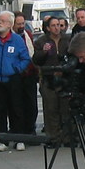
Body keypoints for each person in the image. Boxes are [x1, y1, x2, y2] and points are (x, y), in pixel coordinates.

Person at [0, 11, 31, 151]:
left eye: (2, 21)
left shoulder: (17, 40)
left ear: (10, 24)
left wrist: (16, 69)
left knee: (16, 109)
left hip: (13, 79)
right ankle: (2, 140)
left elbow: (25, 58)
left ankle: (19, 139)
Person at [32, 15, 71, 146]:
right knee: (51, 110)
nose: (57, 28)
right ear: (48, 28)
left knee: (66, 110)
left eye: (59, 25)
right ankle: (53, 138)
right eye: (53, 25)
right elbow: (36, 60)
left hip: (65, 78)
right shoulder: (41, 41)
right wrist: (43, 52)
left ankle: (67, 137)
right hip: (48, 78)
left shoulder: (68, 39)